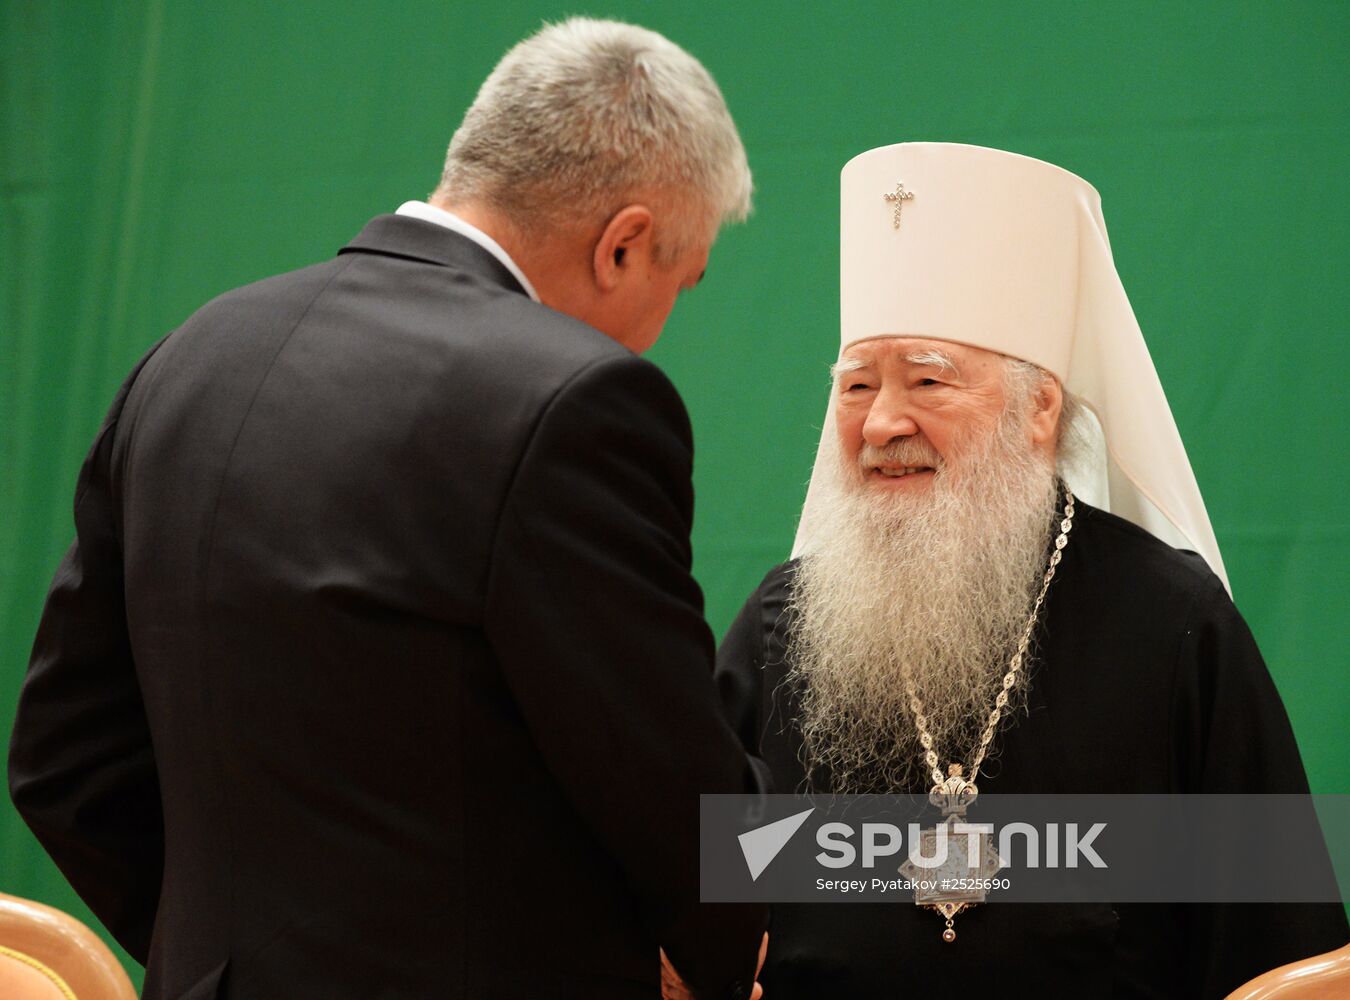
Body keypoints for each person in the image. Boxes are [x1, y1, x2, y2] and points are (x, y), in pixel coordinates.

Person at [10, 19, 767, 1000]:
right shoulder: (572, 398)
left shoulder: (191, 356)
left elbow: (62, 757)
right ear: (624, 244)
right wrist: (911, 869)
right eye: (681, 281)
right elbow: (681, 806)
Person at [715, 142, 1348, 997]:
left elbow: (1284, 960)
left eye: (928, 382)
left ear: (1039, 409)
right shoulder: (778, 627)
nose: (879, 423)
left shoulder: (1171, 626)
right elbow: (694, 896)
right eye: (857, 385)